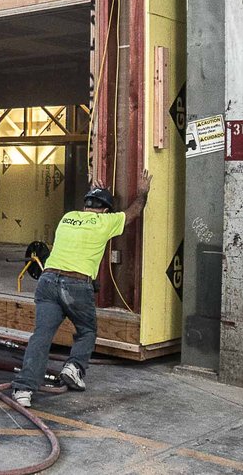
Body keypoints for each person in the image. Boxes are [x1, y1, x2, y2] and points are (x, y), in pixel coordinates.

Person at [10, 169, 152, 408]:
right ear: (106, 210)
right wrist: (142, 193)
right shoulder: (105, 222)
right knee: (86, 329)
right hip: (75, 285)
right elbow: (133, 213)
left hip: (47, 282)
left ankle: (23, 390)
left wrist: (96, 187)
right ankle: (74, 368)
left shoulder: (67, 218)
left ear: (86, 205)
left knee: (41, 336)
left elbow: (93, 205)